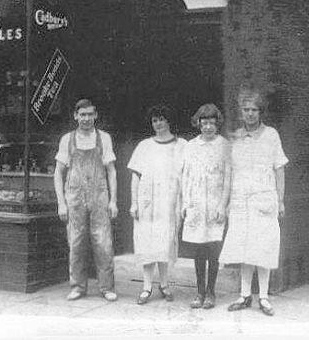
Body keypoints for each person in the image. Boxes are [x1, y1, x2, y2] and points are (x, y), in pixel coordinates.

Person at [219, 89, 287, 316]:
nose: (250, 114)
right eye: (246, 110)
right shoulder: (235, 138)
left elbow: (279, 169)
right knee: (244, 248)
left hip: (264, 199)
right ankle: (245, 294)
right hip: (240, 201)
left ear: (260, 112)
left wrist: (281, 200)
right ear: (241, 112)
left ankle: (264, 297)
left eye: (254, 110)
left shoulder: (271, 135)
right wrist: (226, 202)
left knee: (263, 247)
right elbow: (229, 173)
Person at [53, 98, 118, 302]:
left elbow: (112, 171)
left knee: (103, 242)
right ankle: (78, 286)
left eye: (90, 114)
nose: (86, 118)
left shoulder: (104, 138)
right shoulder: (67, 139)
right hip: (74, 197)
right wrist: (61, 203)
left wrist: (113, 200)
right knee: (76, 241)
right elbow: (58, 173)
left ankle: (106, 287)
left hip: (99, 196)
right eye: (82, 115)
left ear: (96, 115)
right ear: (75, 116)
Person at [127, 104, 186, 305]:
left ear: (169, 120)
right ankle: (146, 287)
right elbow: (135, 176)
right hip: (147, 203)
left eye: (161, 119)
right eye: (154, 120)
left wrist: (184, 203)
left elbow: (186, 177)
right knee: (147, 244)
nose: (158, 124)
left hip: (169, 202)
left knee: (165, 243)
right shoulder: (144, 146)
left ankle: (164, 284)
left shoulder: (182, 145)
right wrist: (134, 203)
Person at [180, 103, 231, 309]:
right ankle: (199, 292)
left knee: (213, 249)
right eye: (204, 122)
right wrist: (185, 202)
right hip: (196, 203)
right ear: (198, 123)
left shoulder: (224, 145)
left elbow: (228, 177)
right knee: (198, 250)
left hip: (215, 204)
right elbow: (185, 175)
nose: (208, 126)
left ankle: (211, 292)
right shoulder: (190, 146)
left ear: (217, 123)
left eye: (211, 122)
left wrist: (223, 205)